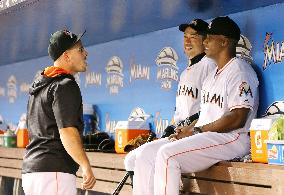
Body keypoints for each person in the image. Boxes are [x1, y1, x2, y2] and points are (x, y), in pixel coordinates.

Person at [132, 16, 259, 195]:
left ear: (224, 42)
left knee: (167, 155)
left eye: (209, 37)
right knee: (145, 155)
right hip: (210, 136)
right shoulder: (212, 75)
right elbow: (206, 115)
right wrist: (186, 132)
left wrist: (196, 132)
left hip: (233, 138)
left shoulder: (239, 70)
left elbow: (238, 118)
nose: (204, 41)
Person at [123, 19, 216, 188]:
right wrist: (168, 130)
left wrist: (185, 127)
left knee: (145, 155)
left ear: (205, 40)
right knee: (131, 159)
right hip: (180, 132)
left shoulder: (209, 65)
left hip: (194, 134)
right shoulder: (186, 71)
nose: (187, 41)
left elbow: (208, 109)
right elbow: (181, 111)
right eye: (185, 36)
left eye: (193, 36)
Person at [22, 29, 96, 195]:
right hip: (53, 171)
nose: (86, 53)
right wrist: (85, 165)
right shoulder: (64, 85)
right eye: (80, 49)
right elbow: (67, 131)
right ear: (67, 56)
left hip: (32, 172)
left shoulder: (41, 84)